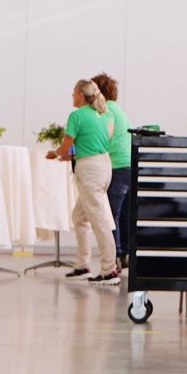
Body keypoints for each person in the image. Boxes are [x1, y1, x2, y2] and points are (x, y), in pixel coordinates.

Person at [51, 77, 120, 282]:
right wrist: (67, 155)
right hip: (103, 166)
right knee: (79, 217)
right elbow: (91, 144)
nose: (72, 95)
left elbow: (66, 145)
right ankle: (82, 265)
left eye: (74, 91)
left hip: (89, 170)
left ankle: (109, 270)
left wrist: (55, 154)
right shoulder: (102, 116)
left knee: (99, 220)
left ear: (81, 95)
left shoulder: (77, 116)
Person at [92, 72, 135, 263]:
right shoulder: (119, 109)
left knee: (111, 214)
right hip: (130, 165)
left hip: (116, 166)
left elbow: (105, 133)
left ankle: (115, 255)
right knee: (125, 214)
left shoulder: (107, 110)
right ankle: (125, 254)